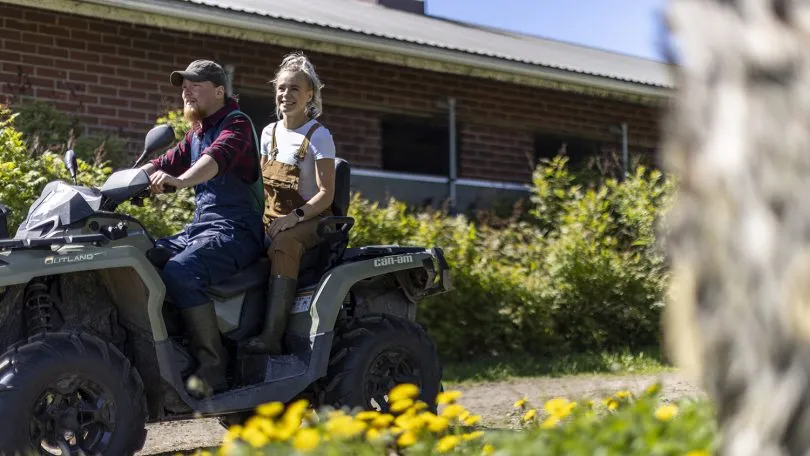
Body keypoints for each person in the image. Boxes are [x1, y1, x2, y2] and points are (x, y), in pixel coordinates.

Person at [141, 59, 265, 397]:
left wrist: (179, 181)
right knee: (142, 256)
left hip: (237, 230)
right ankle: (170, 352)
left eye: (195, 84)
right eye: (183, 85)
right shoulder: (196, 133)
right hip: (203, 228)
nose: (185, 91)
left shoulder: (235, 125)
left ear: (220, 90)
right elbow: (164, 162)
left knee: (182, 271)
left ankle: (213, 364)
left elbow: (215, 159)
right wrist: (118, 185)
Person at [243, 51, 336, 354]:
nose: (286, 94)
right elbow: (259, 185)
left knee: (282, 243)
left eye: (295, 88)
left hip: (311, 218)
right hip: (273, 215)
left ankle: (272, 336)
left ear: (311, 94)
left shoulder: (319, 137)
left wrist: (293, 217)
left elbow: (326, 195)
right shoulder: (268, 133)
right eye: (282, 88)